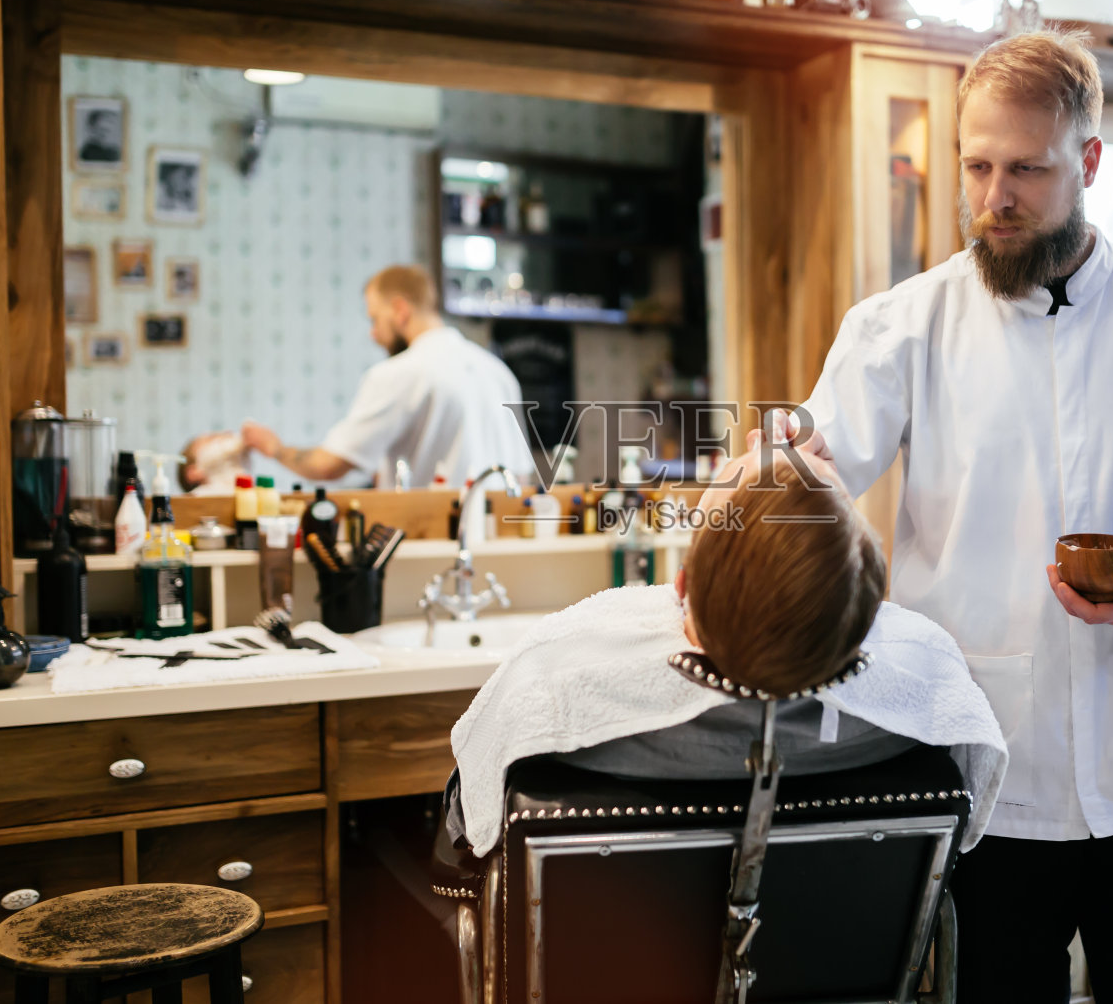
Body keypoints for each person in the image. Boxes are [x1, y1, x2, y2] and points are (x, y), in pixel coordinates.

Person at [791, 29, 1113, 1003]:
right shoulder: (902, 325)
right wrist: (755, 481)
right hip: (984, 775)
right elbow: (809, 465)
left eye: (1025, 169)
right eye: (975, 165)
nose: (991, 197)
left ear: (1090, 160)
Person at [446, 433, 1008, 858]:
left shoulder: (560, 693)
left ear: (682, 585)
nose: (765, 447)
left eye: (738, 475)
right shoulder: (914, 714)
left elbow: (468, 818)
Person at [241, 265, 535, 488]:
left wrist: (274, 448)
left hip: (431, 544)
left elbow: (328, 466)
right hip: (500, 544)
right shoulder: (498, 372)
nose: (373, 333)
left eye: (374, 319)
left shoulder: (399, 373)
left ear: (399, 310)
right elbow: (521, 475)